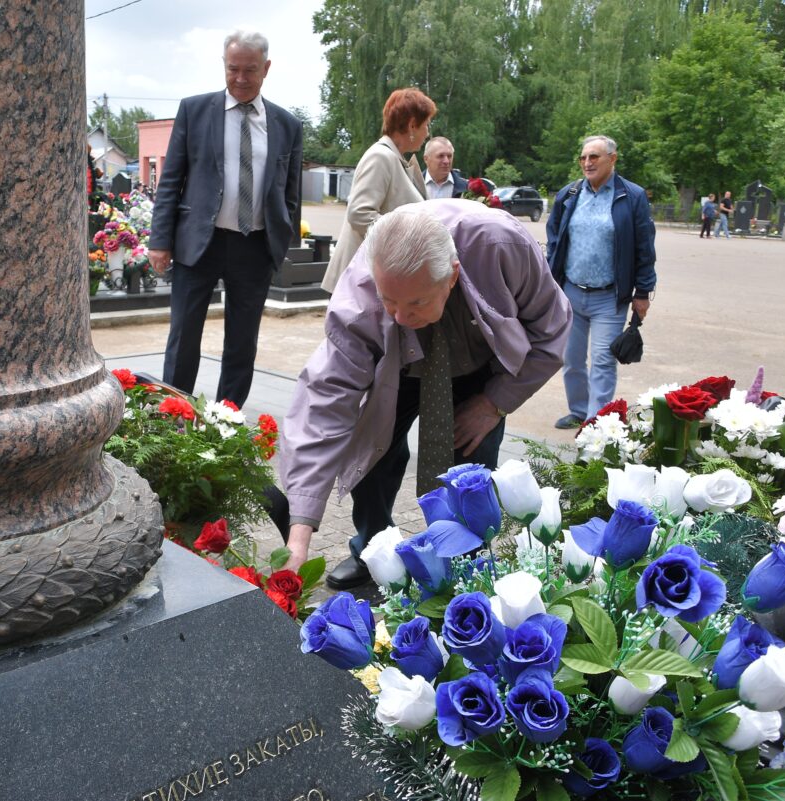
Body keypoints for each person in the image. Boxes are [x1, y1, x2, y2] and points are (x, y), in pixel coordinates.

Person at [280, 200, 571, 584]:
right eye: (389, 302)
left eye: (416, 302)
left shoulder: (504, 247)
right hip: (397, 367)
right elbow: (322, 403)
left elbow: (552, 331)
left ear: (451, 277)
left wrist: (494, 403)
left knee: (471, 472)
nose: (400, 317)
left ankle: (465, 569)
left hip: (479, 367)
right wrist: (298, 536)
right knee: (370, 457)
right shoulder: (361, 295)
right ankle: (374, 550)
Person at [148, 30, 303, 408]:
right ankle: (175, 415)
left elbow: (291, 192)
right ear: (224, 65)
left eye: (250, 70)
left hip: (255, 248)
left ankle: (225, 421)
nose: (240, 78)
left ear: (266, 68)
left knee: (242, 342)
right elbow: (172, 180)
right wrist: (159, 239)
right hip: (199, 243)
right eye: (233, 68)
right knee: (184, 338)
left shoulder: (287, 125)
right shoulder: (195, 110)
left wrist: (282, 245)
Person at [546, 135, 656, 430]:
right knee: (571, 360)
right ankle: (579, 410)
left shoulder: (631, 196)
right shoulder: (568, 195)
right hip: (571, 292)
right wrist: (549, 282)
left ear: (613, 159)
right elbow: (554, 242)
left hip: (610, 297)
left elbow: (645, 247)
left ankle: (596, 423)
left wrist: (642, 292)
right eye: (583, 157)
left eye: (594, 157)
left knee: (603, 361)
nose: (587, 163)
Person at [319, 88, 433, 293]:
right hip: (360, 284)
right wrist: (406, 238)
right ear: (412, 125)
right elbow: (359, 214)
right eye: (426, 125)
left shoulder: (394, 158)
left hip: (372, 280)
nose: (428, 133)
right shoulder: (381, 157)